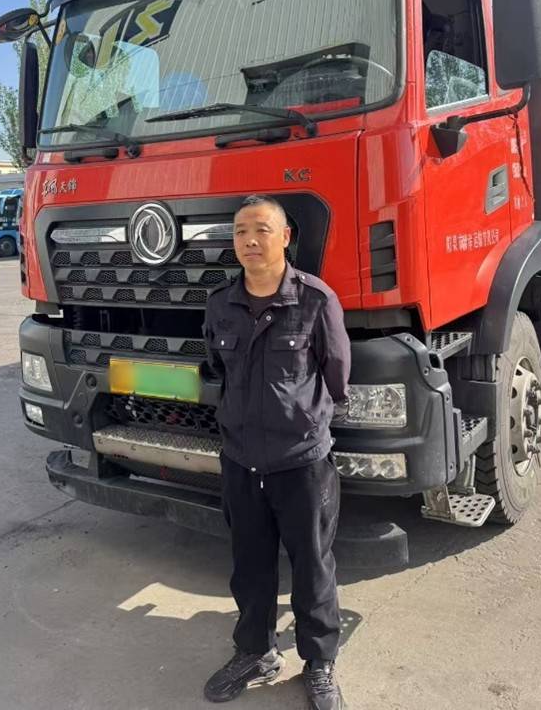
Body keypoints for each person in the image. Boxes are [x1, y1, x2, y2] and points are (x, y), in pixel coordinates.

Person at [202, 194, 351, 709]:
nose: (250, 241)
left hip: (300, 462)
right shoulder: (220, 304)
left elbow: (336, 374)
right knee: (250, 565)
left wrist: (305, 424)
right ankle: (255, 651)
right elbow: (217, 369)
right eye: (241, 231)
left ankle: (319, 662)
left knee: (312, 567)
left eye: (262, 230)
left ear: (285, 237)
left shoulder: (315, 300)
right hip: (241, 459)